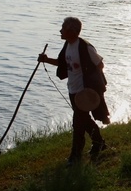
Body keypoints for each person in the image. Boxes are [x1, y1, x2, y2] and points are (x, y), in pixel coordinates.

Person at [38, 16, 110, 165]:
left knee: (78, 123)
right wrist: (46, 60)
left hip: (84, 92)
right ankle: (99, 143)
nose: (60, 30)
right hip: (72, 90)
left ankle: (75, 156)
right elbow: (62, 64)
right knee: (84, 120)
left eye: (63, 28)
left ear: (72, 31)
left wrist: (90, 86)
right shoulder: (67, 45)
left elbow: (100, 65)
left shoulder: (85, 47)